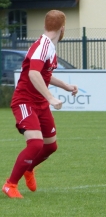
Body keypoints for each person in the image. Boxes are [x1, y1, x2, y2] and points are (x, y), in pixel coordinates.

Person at [2, 10, 78, 199]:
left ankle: (29, 168)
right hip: (25, 102)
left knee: (50, 147)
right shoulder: (42, 46)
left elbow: (45, 75)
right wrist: (51, 98)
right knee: (35, 144)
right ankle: (10, 185)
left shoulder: (49, 47)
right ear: (63, 28)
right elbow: (33, 74)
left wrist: (66, 86)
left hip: (39, 103)